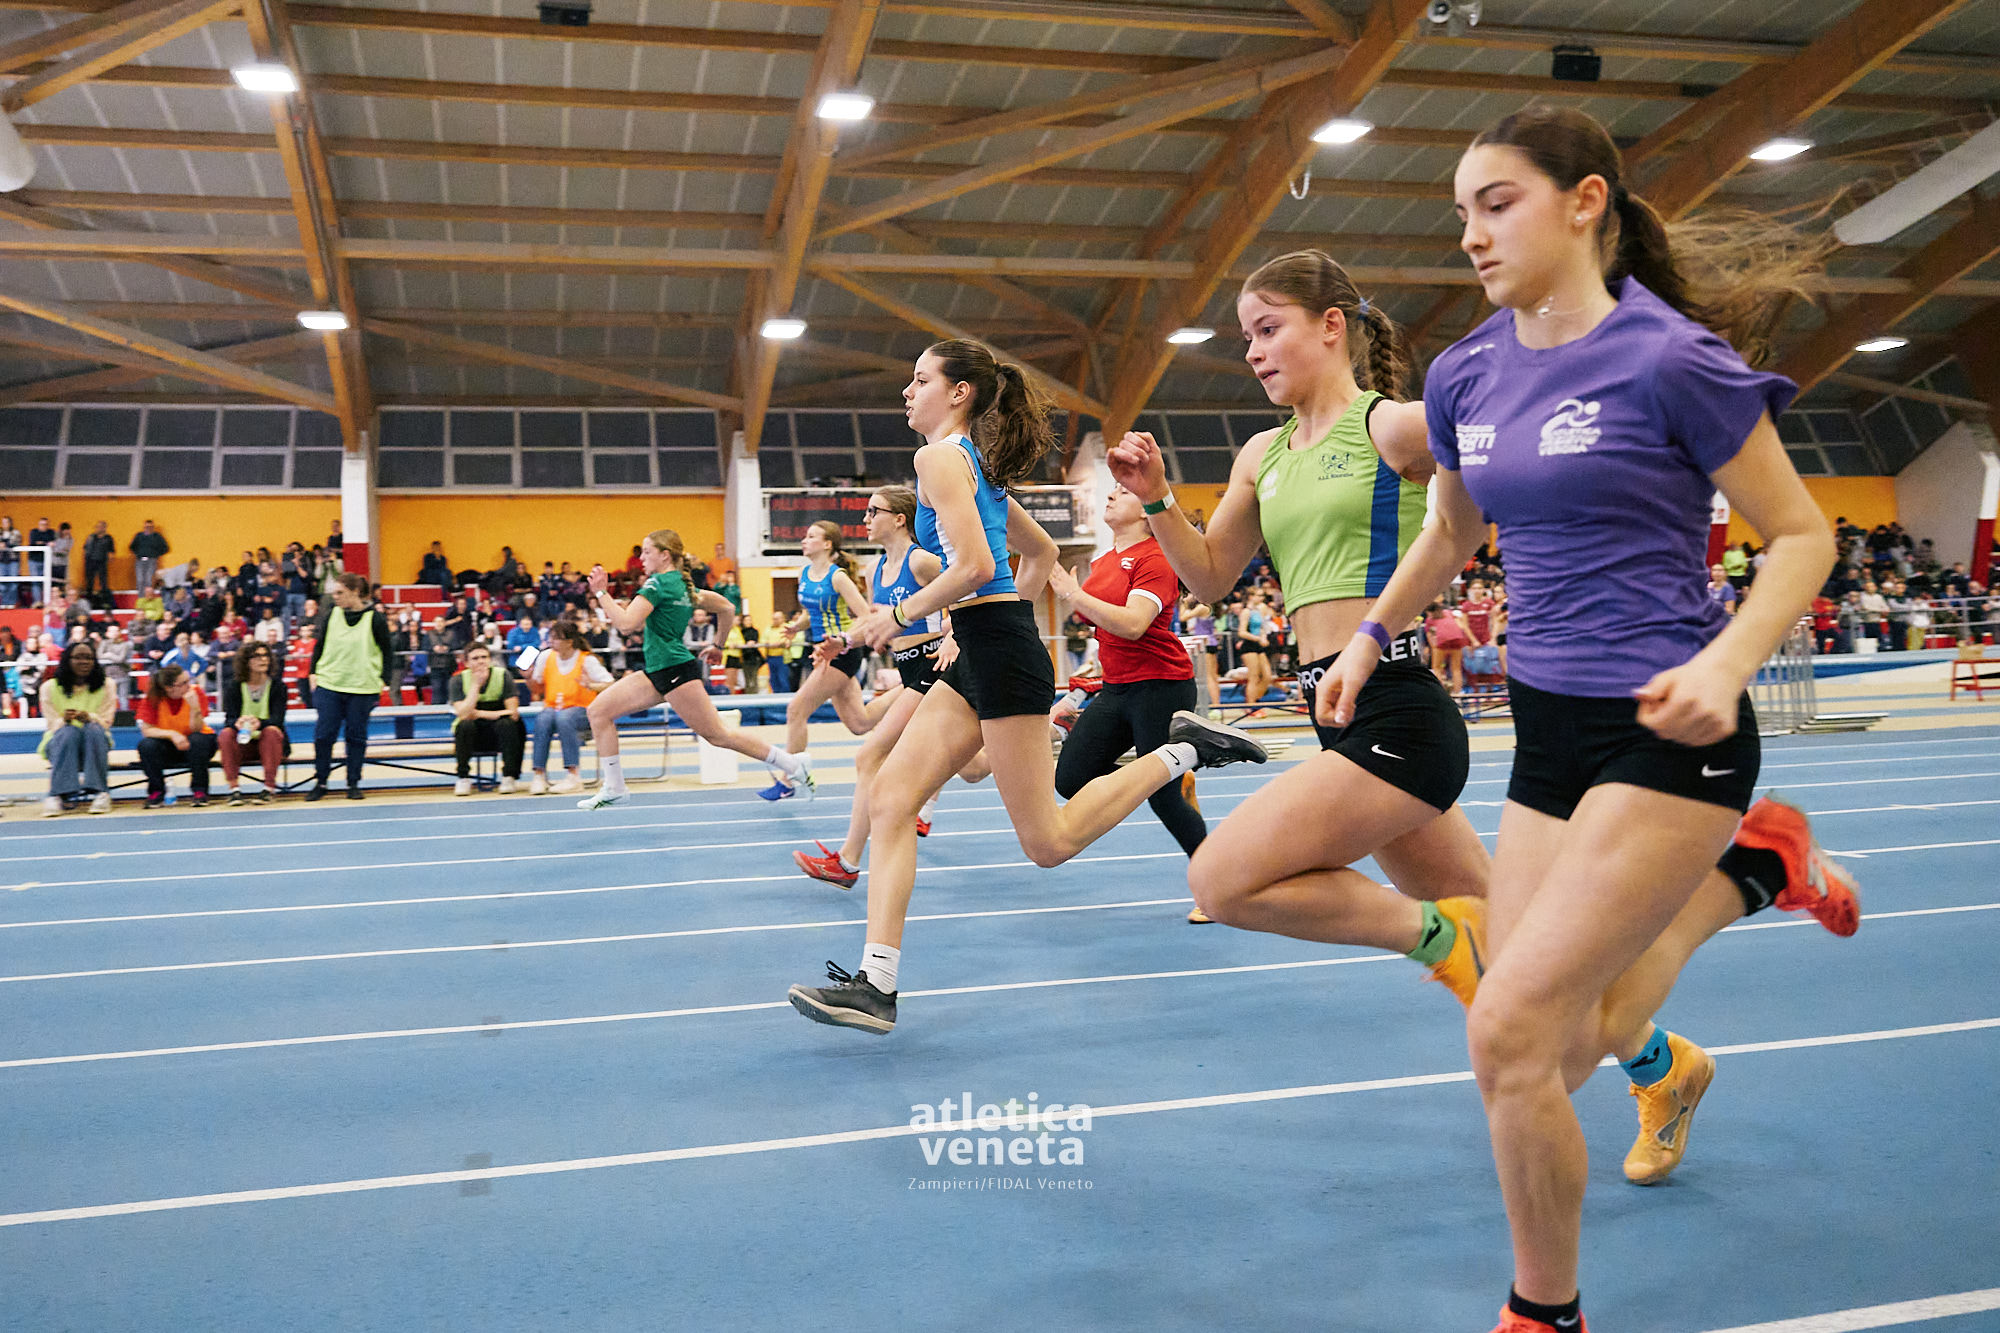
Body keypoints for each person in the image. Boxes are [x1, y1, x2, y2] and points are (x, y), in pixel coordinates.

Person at [1319, 105, 1851, 1333]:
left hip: (1670, 728)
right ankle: (1754, 871)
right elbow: (1451, 531)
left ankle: (1541, 1313)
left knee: (1507, 1033)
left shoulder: (1668, 359)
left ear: (1584, 201)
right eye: (1459, 212)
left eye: (1495, 202)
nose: (1470, 234)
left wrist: (1723, 664)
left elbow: (1801, 535)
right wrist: (1367, 635)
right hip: (1547, 732)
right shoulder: (1465, 372)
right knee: (1555, 1052)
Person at [786, 338, 1267, 1036]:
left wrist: (902, 616)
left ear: (959, 393)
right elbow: (1037, 553)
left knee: (1048, 842)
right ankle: (876, 985)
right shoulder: (971, 464)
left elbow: (977, 566)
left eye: (919, 380)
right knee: (890, 798)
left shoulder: (937, 460)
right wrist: (981, 620)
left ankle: (1182, 749)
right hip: (986, 647)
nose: (906, 392)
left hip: (1001, 654)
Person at [1044, 482, 1212, 921]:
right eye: (1112, 488)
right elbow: (1105, 632)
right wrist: (1089, 683)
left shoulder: (1157, 558)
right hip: (1117, 688)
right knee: (1070, 779)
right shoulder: (1103, 562)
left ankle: (1216, 890)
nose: (1112, 493)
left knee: (1164, 800)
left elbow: (1135, 624)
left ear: (1146, 512)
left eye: (1123, 490)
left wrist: (1073, 594)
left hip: (1162, 686)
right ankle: (1166, 772)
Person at [791, 484, 967, 888]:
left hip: (935, 664)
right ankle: (1050, 728)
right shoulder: (874, 570)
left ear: (899, 519)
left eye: (874, 512)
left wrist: (955, 635)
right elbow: (874, 621)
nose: (865, 519)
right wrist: (843, 641)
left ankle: (847, 862)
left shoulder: (921, 560)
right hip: (907, 668)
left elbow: (966, 594)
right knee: (973, 767)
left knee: (870, 755)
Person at [578, 528, 812, 810]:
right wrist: (718, 645)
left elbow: (627, 624)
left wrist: (601, 592)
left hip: (674, 671)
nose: (642, 558)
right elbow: (727, 607)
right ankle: (615, 787)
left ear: (665, 556)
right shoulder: (683, 586)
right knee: (599, 711)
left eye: (647, 552)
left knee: (719, 735)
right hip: (659, 670)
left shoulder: (657, 585)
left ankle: (793, 765)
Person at [761, 520, 876, 801]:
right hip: (821, 651)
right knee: (859, 723)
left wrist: (841, 640)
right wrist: (795, 627)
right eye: (805, 535)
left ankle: (791, 778)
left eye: (811, 536)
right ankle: (906, 698)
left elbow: (865, 615)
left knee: (796, 709)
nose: (804, 540)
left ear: (827, 544)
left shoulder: (838, 577)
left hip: (842, 653)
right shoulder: (804, 573)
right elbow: (810, 613)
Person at [306, 572, 391, 801]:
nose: (335, 597)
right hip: (330, 683)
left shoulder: (375, 619)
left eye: (340, 592)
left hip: (362, 687)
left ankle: (353, 782)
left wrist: (384, 680)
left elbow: (387, 651)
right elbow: (319, 645)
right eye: (334, 592)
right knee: (324, 735)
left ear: (355, 592)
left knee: (356, 736)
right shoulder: (331, 615)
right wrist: (313, 672)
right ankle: (321, 781)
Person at [528, 619, 609, 795]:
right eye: (550, 637)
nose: (551, 641)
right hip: (553, 708)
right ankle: (538, 774)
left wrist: (591, 685)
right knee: (543, 719)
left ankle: (573, 775)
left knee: (565, 717)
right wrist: (528, 677)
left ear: (569, 642)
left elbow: (610, 684)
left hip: (583, 711)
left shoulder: (587, 660)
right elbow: (537, 689)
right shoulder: (545, 657)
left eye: (556, 638)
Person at [39, 638, 114, 816]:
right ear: (68, 660)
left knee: (93, 729)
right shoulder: (49, 687)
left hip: (96, 741)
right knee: (69, 731)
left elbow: (106, 721)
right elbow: (51, 723)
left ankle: (100, 793)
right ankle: (56, 794)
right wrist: (64, 720)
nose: (84, 662)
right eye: (78, 657)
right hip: (60, 742)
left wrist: (90, 717)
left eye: (89, 658)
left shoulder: (107, 685)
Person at [449, 642, 525, 796]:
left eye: (484, 657)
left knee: (508, 724)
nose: (481, 661)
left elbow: (512, 712)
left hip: (499, 732)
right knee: (465, 725)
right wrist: (475, 686)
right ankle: (463, 777)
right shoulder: (458, 680)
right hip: (473, 734)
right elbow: (463, 714)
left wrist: (477, 713)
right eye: (475, 658)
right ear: (467, 663)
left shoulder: (503, 675)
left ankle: (509, 776)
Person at [136, 663, 214, 808]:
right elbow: (147, 730)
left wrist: (195, 708)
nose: (189, 685)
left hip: (196, 743)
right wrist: (172, 734)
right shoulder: (152, 699)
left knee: (198, 740)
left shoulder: (196, 693)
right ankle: (156, 791)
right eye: (183, 683)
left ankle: (200, 791)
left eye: (188, 680)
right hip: (169, 745)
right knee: (146, 745)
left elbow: (197, 728)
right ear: (169, 688)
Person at [220, 639, 289, 804]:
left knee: (271, 731)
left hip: (271, 744)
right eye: (257, 656)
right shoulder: (234, 686)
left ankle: (268, 788)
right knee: (226, 734)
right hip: (243, 743)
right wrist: (238, 722)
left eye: (266, 656)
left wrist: (258, 723)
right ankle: (234, 789)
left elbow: (278, 720)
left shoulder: (278, 686)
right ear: (246, 661)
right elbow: (229, 720)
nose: (263, 660)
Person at [129, 520, 168, 594]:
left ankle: (148, 598)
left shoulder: (157, 536)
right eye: (146, 527)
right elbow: (132, 547)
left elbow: (165, 548)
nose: (148, 528)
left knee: (149, 580)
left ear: (153, 527)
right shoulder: (139, 536)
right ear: (144, 527)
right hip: (140, 561)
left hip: (152, 561)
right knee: (140, 580)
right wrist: (138, 554)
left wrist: (156, 555)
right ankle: (141, 598)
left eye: (150, 527)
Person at [81, 521, 114, 599]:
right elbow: (85, 548)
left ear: (104, 528)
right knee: (89, 581)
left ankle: (104, 598)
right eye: (97, 527)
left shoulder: (108, 538)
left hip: (102, 562)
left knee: (103, 581)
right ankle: (89, 598)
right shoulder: (91, 537)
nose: (98, 528)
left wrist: (110, 557)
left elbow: (111, 551)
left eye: (101, 527)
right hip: (90, 562)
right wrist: (85, 558)